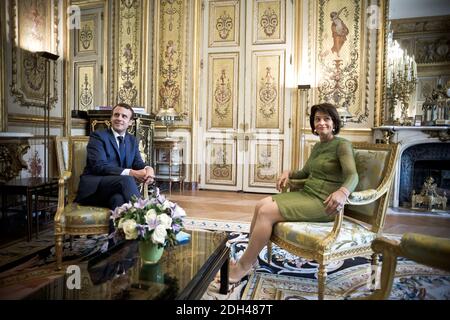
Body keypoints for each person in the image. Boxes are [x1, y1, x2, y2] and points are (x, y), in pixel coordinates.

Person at [227, 103, 359, 283]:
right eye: (317, 119)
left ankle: (243, 266)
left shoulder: (342, 145)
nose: (321, 123)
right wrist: (288, 173)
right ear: (313, 124)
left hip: (324, 203)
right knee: (260, 205)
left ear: (334, 123)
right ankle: (251, 259)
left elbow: (353, 175)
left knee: (266, 213)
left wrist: (343, 192)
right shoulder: (318, 147)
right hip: (307, 194)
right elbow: (304, 173)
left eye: (326, 119)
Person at [76, 103, 155, 211]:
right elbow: (98, 166)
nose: (119, 118)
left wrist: (148, 169)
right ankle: (144, 214)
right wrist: (131, 172)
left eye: (124, 116)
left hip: (114, 191)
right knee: (126, 180)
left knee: (118, 201)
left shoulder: (132, 140)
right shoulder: (98, 136)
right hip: (95, 189)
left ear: (130, 122)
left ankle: (122, 228)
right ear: (111, 118)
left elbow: (138, 163)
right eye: (116, 115)